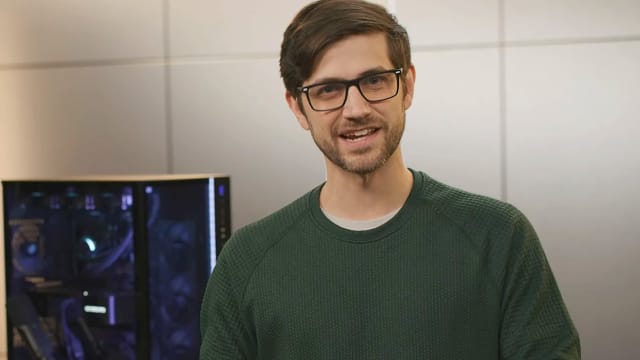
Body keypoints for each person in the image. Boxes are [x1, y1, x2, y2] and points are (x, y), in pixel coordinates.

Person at [199, 0, 581, 358]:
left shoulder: (499, 237)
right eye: (328, 90)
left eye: (375, 81)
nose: (356, 109)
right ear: (298, 108)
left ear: (408, 86)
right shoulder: (246, 261)